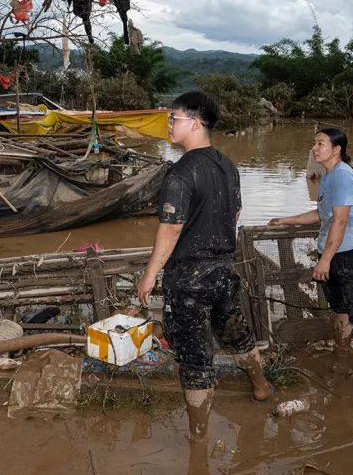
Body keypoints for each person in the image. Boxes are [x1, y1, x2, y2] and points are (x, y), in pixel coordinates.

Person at [136, 91, 271, 443]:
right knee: (235, 332)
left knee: (196, 362)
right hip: (224, 271)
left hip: (189, 279)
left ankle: (198, 441)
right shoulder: (228, 165)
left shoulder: (179, 174)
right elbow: (235, 214)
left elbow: (171, 228)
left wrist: (150, 274)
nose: (168, 124)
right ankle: (261, 387)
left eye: (173, 118)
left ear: (195, 123)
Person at [268, 127, 353, 397]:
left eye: (320, 143)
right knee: (342, 313)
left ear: (336, 149)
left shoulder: (342, 176)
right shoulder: (329, 178)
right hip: (335, 254)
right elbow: (323, 215)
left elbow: (341, 221)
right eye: (314, 143)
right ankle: (342, 365)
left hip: (350, 255)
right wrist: (287, 220)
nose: (314, 148)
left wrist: (326, 261)